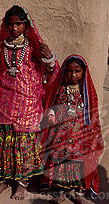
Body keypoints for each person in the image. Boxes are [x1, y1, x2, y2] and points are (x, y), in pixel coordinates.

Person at [0, 5, 59, 200]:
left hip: (27, 102)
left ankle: (22, 184)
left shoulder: (33, 46)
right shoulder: (1, 45)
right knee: (3, 143)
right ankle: (3, 181)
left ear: (26, 25)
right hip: (3, 100)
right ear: (6, 25)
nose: (14, 28)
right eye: (11, 24)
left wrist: (48, 56)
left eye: (19, 24)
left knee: (24, 144)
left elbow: (50, 70)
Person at [41, 55, 104, 204]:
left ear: (83, 72)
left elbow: (92, 113)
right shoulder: (60, 89)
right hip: (61, 134)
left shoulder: (86, 92)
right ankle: (62, 192)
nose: (73, 75)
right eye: (69, 71)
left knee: (79, 162)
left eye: (77, 71)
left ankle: (79, 192)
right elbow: (52, 103)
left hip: (79, 135)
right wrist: (51, 115)